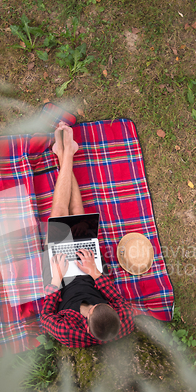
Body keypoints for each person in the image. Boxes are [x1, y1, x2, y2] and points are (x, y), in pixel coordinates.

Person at [40, 121, 136, 348]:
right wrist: (95, 273)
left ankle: (66, 154)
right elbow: (119, 300)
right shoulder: (124, 321)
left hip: (61, 277)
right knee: (78, 217)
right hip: (89, 271)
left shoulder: (69, 333)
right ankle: (65, 154)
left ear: (90, 315)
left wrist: (55, 279)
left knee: (60, 216)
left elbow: (45, 320)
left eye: (96, 307)